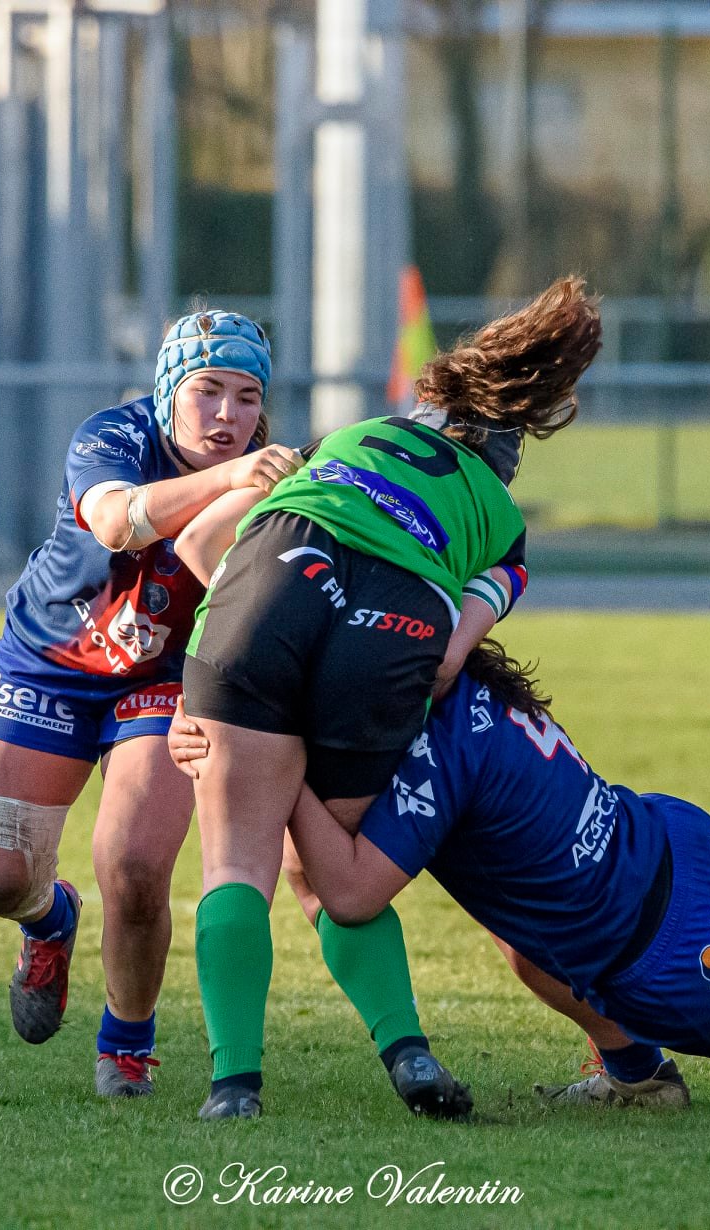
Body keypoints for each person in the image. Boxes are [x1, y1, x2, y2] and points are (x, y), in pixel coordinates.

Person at [169, 642, 710, 1109]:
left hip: (673, 951)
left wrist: (269, 781)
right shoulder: (466, 687)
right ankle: (638, 1077)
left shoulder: (437, 751)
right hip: (677, 839)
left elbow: (350, 891)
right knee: (527, 948)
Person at [179, 277, 600, 1120]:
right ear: (504, 455)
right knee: (325, 863)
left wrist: (234, 699)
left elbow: (197, 541)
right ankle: (407, 1054)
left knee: (236, 859)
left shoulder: (351, 437)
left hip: (272, 573)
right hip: (398, 616)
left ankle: (234, 1089)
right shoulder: (502, 526)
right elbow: (446, 663)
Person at [0, 310, 304, 1098]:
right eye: (208, 390)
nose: (228, 416)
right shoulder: (112, 436)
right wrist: (228, 478)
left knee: (138, 865)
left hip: (163, 678)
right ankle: (50, 920)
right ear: (168, 389)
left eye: (248, 398)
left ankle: (127, 1045)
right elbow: (117, 522)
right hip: (51, 662)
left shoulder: (271, 485)